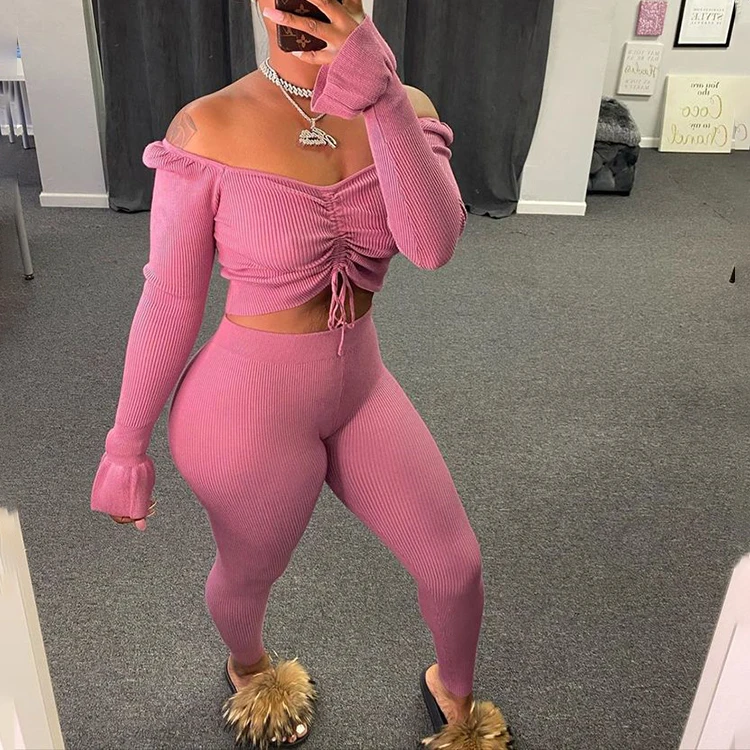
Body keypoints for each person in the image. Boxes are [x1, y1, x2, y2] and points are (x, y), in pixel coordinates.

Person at [90, 0, 512, 747]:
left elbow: (433, 245)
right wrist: (125, 447)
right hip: (245, 409)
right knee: (251, 574)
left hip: (361, 389)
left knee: (456, 567)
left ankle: (455, 694)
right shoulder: (208, 127)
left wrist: (381, 96)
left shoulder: (405, 107)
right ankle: (250, 668)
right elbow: (172, 298)